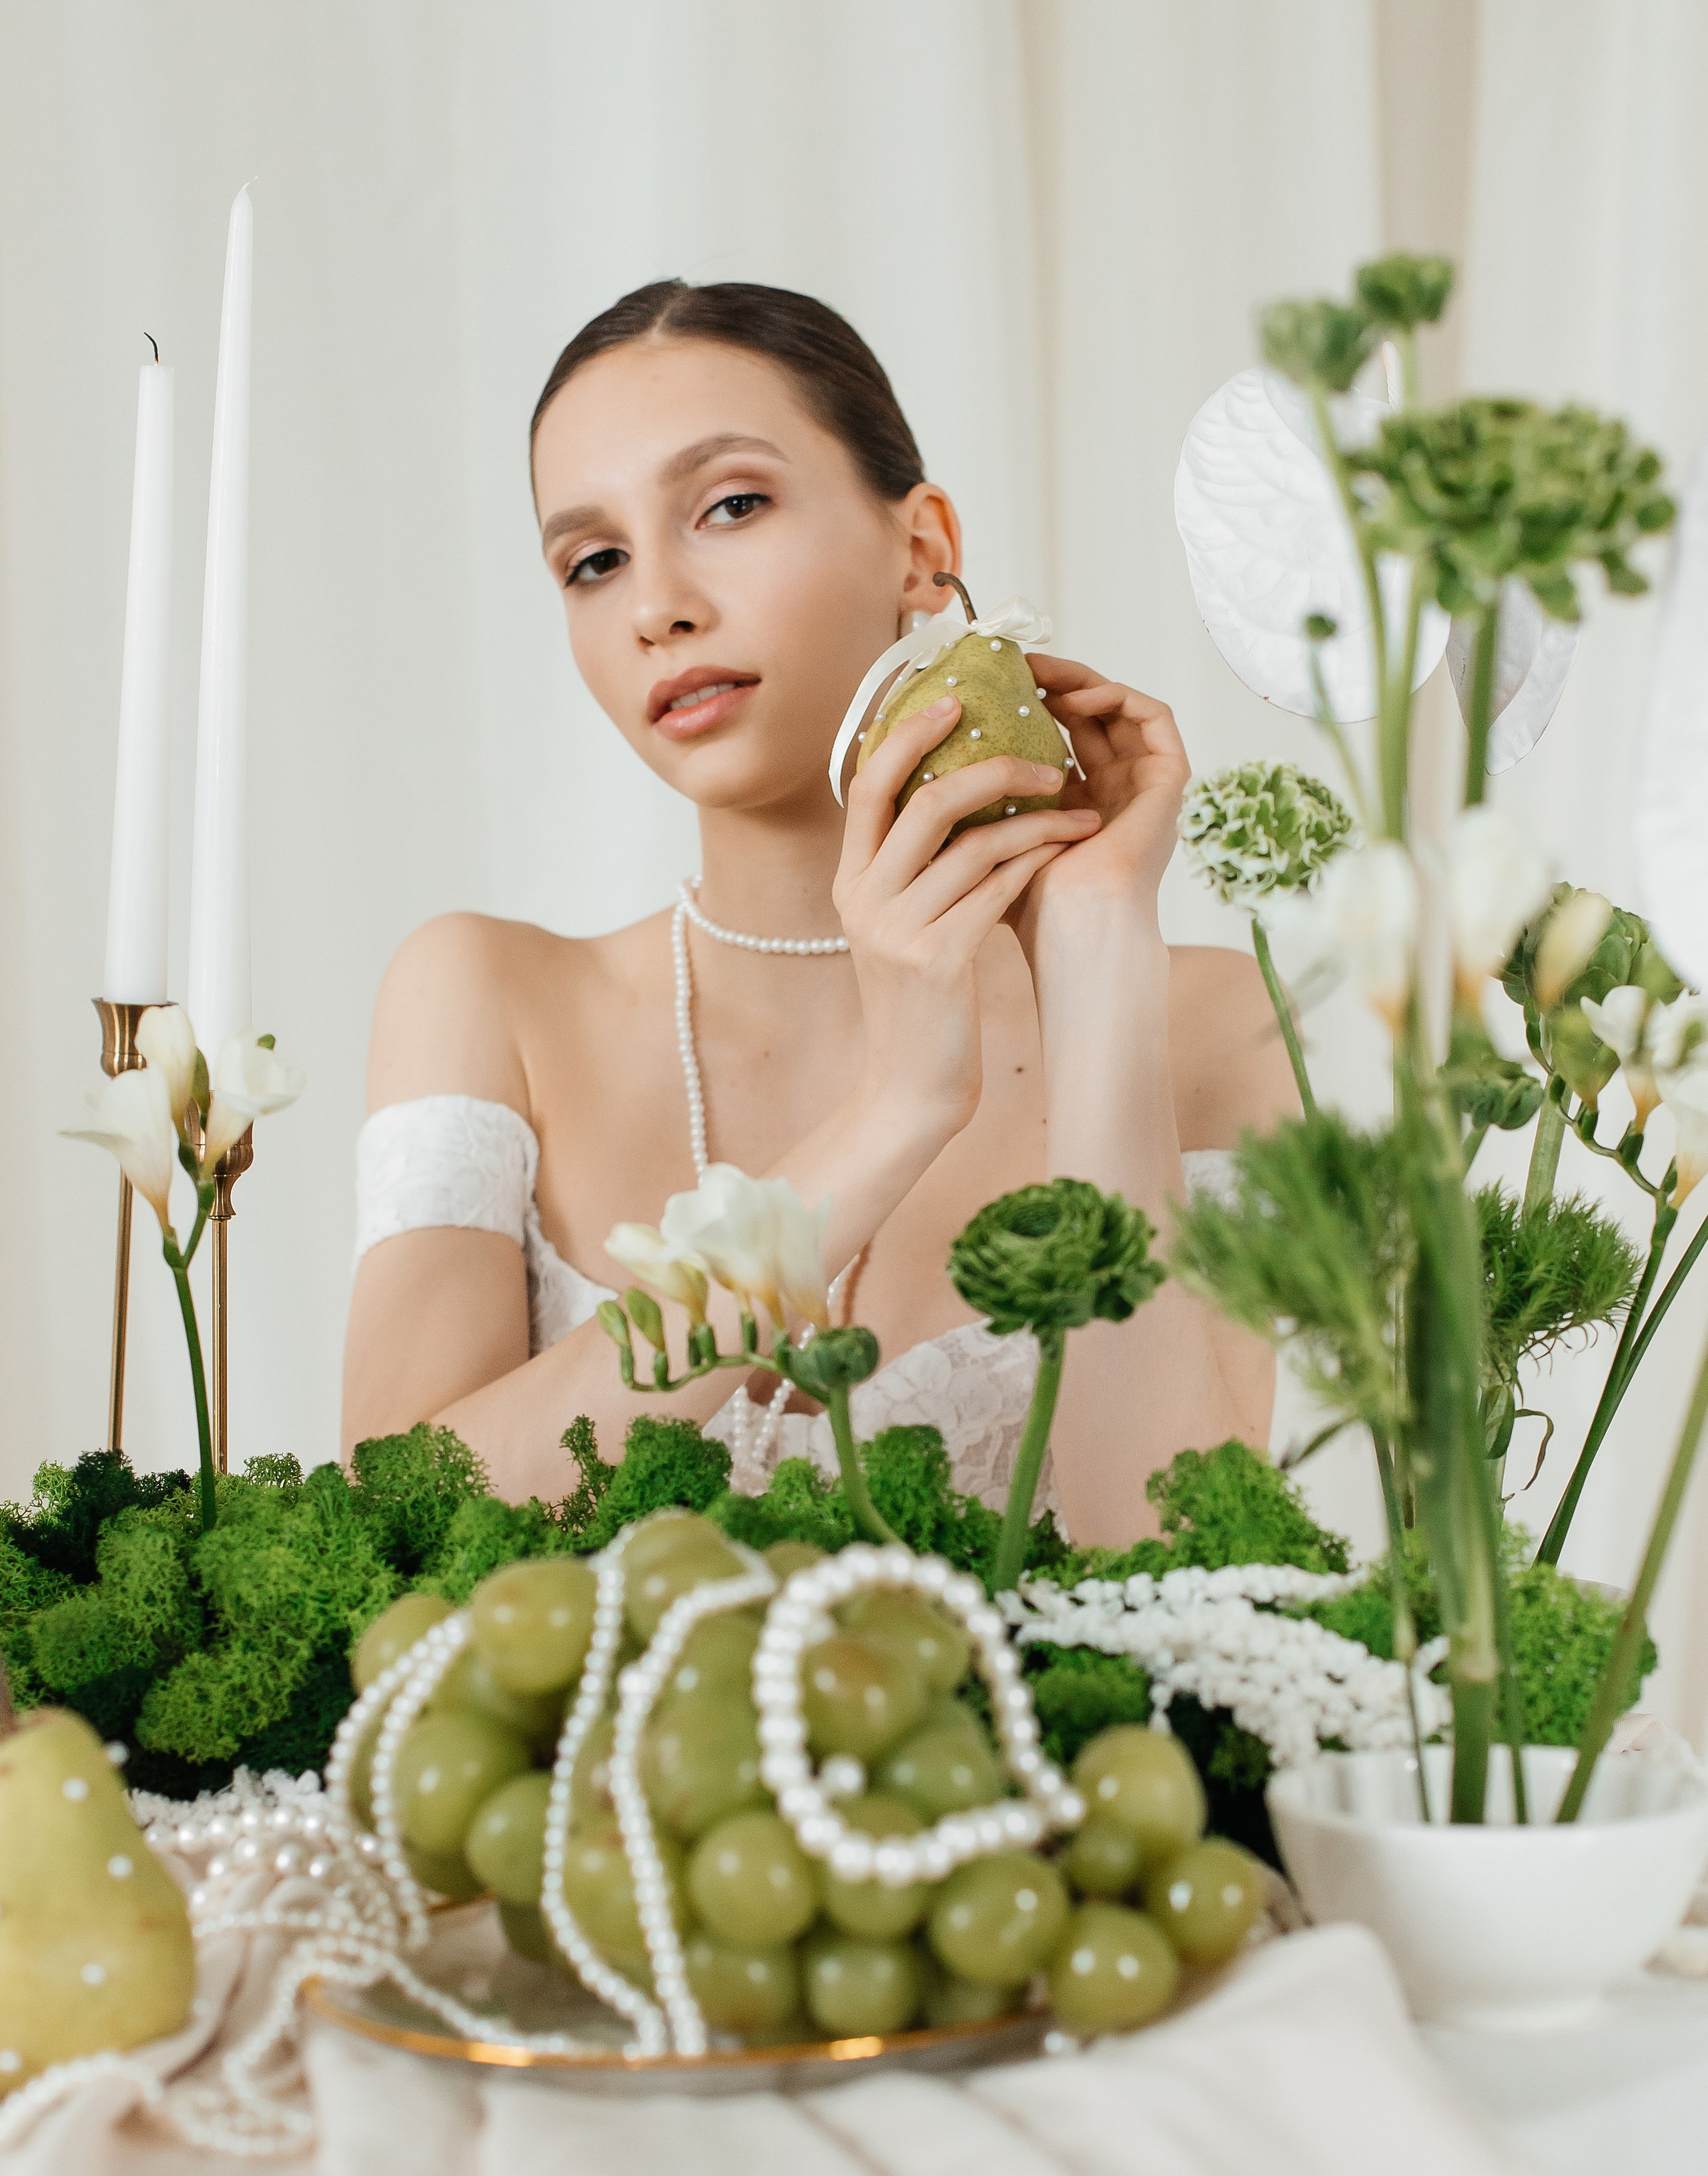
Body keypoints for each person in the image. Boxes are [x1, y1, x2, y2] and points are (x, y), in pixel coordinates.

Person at [341, 281, 1296, 1542]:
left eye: (731, 505)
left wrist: (1098, 955)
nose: (656, 607)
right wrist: (892, 1111)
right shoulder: (487, 995)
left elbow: (1183, 1568)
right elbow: (387, 1530)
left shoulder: (1210, 1019)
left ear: (923, 548)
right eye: (595, 561)